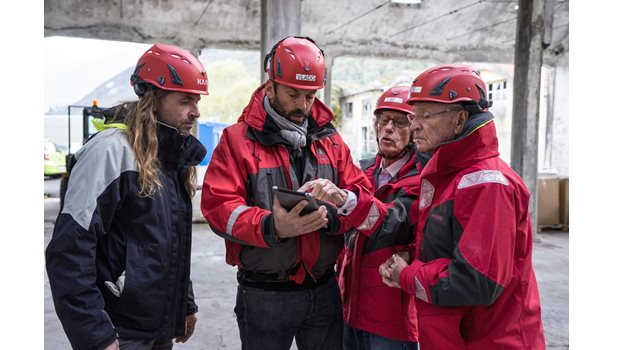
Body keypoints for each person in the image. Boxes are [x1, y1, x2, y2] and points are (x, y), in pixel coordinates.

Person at [201, 36, 374, 350]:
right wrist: (273, 226)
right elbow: (218, 208)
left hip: (324, 290)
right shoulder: (237, 140)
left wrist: (334, 212)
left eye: (310, 96)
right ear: (270, 88)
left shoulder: (330, 141)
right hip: (264, 295)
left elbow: (363, 196)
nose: (302, 105)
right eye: (293, 94)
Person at [45, 43, 209, 350]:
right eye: (185, 100)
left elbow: (168, 241)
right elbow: (68, 251)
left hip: (158, 329)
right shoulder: (111, 152)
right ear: (154, 99)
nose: (196, 112)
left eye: (196, 101)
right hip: (118, 332)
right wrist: (95, 335)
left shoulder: (171, 157)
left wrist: (184, 304)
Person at [379, 64, 546, 349]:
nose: (415, 124)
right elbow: (450, 246)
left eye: (426, 115)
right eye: (415, 115)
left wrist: (406, 274)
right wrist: (412, 254)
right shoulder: (449, 175)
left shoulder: (487, 184)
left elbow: (476, 282)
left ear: (460, 120)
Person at [336, 86, 421, 349]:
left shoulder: (422, 178)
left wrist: (348, 201)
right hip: (350, 307)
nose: (388, 128)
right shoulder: (363, 172)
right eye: (383, 120)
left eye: (399, 122)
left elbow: (395, 223)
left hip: (390, 320)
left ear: (414, 129)